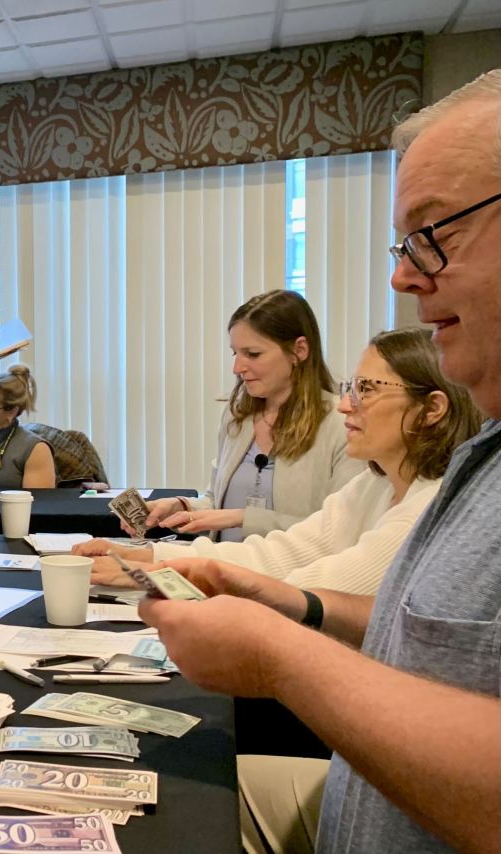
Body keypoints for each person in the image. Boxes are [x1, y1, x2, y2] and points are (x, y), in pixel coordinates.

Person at [140, 71, 501, 854]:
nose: (405, 277)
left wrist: (274, 648)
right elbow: (404, 625)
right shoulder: (482, 459)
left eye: (435, 234)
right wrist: (257, 587)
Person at [76, 328, 481, 594]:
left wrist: (165, 574)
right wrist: (149, 559)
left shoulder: (429, 506)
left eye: (366, 390)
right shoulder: (374, 485)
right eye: (349, 389)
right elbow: (283, 553)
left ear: (432, 409)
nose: (345, 406)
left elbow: (308, 589)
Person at [129, 290, 364, 542]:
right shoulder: (237, 417)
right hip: (221, 570)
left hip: (291, 577)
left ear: (300, 350)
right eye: (235, 353)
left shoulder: (342, 424)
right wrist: (182, 507)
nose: (237, 368)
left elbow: (340, 531)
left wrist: (243, 518)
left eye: (253, 354)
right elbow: (217, 503)